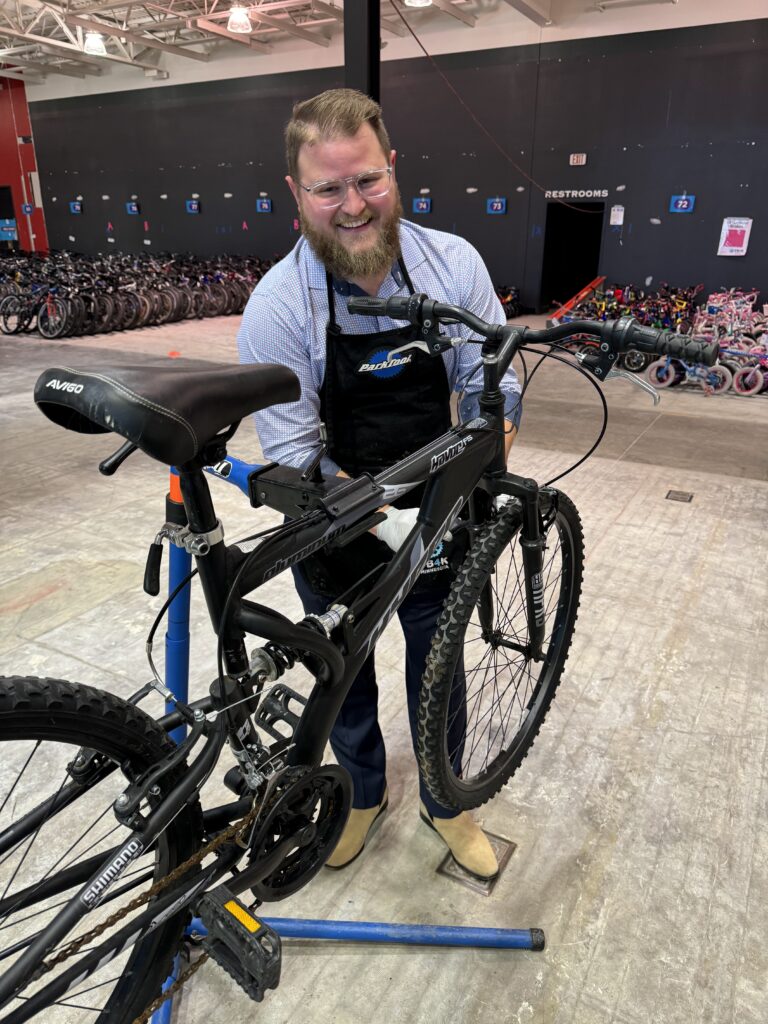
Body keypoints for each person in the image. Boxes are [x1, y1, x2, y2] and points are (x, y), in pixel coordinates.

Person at [237, 88, 521, 880]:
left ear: (393, 170)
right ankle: (362, 794)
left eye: (367, 180)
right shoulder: (279, 308)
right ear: (296, 194)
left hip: (441, 513)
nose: (352, 205)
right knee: (344, 679)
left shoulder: (453, 264)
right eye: (328, 188)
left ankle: (445, 799)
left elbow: (494, 385)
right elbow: (295, 458)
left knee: (441, 668)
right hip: (334, 534)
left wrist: (475, 472)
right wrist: (380, 519)